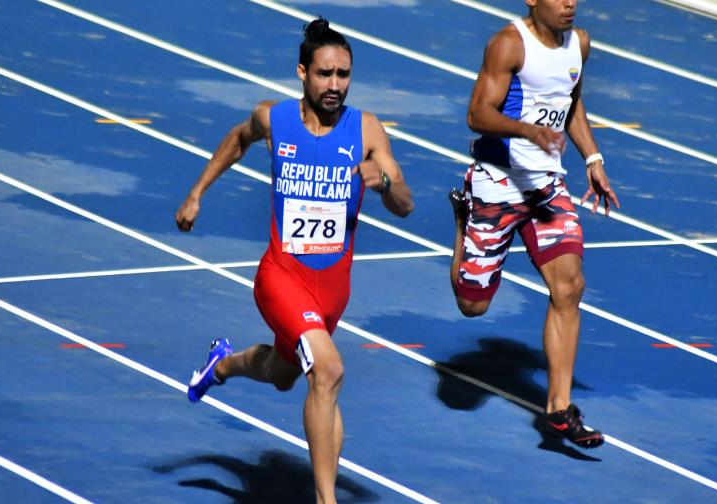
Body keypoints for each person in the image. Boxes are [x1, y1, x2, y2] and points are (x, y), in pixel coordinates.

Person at [175, 18, 413, 503]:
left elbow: (405, 204)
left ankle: (222, 366)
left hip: (333, 291)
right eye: (325, 74)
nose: (335, 85)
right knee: (328, 370)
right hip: (281, 277)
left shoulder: (366, 129)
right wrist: (197, 193)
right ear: (303, 73)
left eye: (343, 74)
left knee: (284, 375)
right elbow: (237, 140)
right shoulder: (273, 118)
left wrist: (384, 182)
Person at [449, 0, 619, 449]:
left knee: (569, 286)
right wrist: (527, 130)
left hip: (545, 184)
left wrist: (593, 158)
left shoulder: (579, 43)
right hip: (497, 181)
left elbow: (570, 100)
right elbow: (477, 113)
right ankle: (464, 220)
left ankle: (558, 412)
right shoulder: (509, 44)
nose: (570, 3)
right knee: (472, 305)